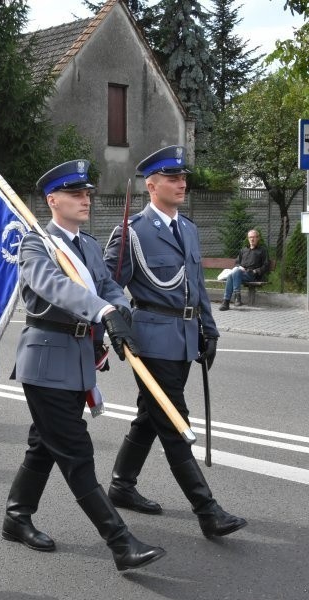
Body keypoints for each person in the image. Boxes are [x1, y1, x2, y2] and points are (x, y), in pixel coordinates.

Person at [1, 160, 165, 572]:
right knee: (76, 453)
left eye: (87, 193)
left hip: (78, 360)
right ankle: (120, 542)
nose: (86, 199)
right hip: (46, 360)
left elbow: (110, 285)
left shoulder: (89, 245)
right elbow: (53, 287)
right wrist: (103, 310)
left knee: (44, 445)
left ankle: (16, 516)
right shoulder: (35, 244)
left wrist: (120, 311)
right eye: (76, 193)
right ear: (53, 200)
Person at [104, 145, 247, 537]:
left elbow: (198, 286)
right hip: (151, 341)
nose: (182, 183)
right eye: (172, 178)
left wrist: (210, 329)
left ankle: (121, 484)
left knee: (151, 415)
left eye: (183, 177)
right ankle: (207, 509)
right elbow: (106, 287)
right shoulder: (131, 232)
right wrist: (113, 329)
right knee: (173, 420)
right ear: (151, 186)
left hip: (184, 338)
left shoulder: (189, 228)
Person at [219, 229, 269, 310]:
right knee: (232, 274)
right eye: (250, 237)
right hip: (240, 274)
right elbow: (237, 263)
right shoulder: (243, 250)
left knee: (232, 275)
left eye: (254, 237)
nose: (252, 239)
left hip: (252, 274)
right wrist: (240, 267)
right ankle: (235, 298)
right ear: (248, 238)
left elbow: (266, 265)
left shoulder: (262, 251)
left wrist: (255, 271)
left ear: (258, 238)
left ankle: (226, 301)